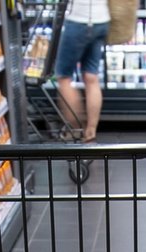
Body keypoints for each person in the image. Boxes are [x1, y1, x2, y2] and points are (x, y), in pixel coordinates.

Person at [56, 0, 110, 144]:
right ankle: (90, 131)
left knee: (64, 77)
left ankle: (74, 129)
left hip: (78, 19)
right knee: (91, 76)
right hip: (102, 20)